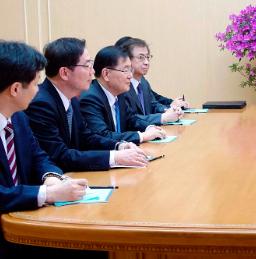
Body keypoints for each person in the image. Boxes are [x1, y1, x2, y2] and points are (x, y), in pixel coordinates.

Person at [0, 40, 104, 259]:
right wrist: (46, 193)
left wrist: (51, 178)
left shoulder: (18, 117)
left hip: (25, 220)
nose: (39, 89)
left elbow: (39, 156)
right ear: (16, 89)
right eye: (36, 83)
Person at [25, 38, 148, 172]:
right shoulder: (41, 104)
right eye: (87, 65)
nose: (93, 71)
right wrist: (114, 157)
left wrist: (119, 146)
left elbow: (86, 137)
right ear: (64, 73)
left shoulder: (71, 99)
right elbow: (59, 155)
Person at [80, 46, 166, 144]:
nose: (130, 76)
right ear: (106, 74)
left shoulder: (119, 93)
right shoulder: (90, 98)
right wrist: (141, 136)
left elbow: (131, 119)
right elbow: (102, 136)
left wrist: (149, 127)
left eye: (131, 70)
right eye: (125, 70)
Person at [115, 37, 188, 125]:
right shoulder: (121, 86)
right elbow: (130, 119)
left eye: (148, 57)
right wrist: (163, 118)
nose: (146, 62)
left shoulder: (143, 82)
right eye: (141, 57)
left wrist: (169, 110)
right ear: (127, 60)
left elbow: (153, 104)